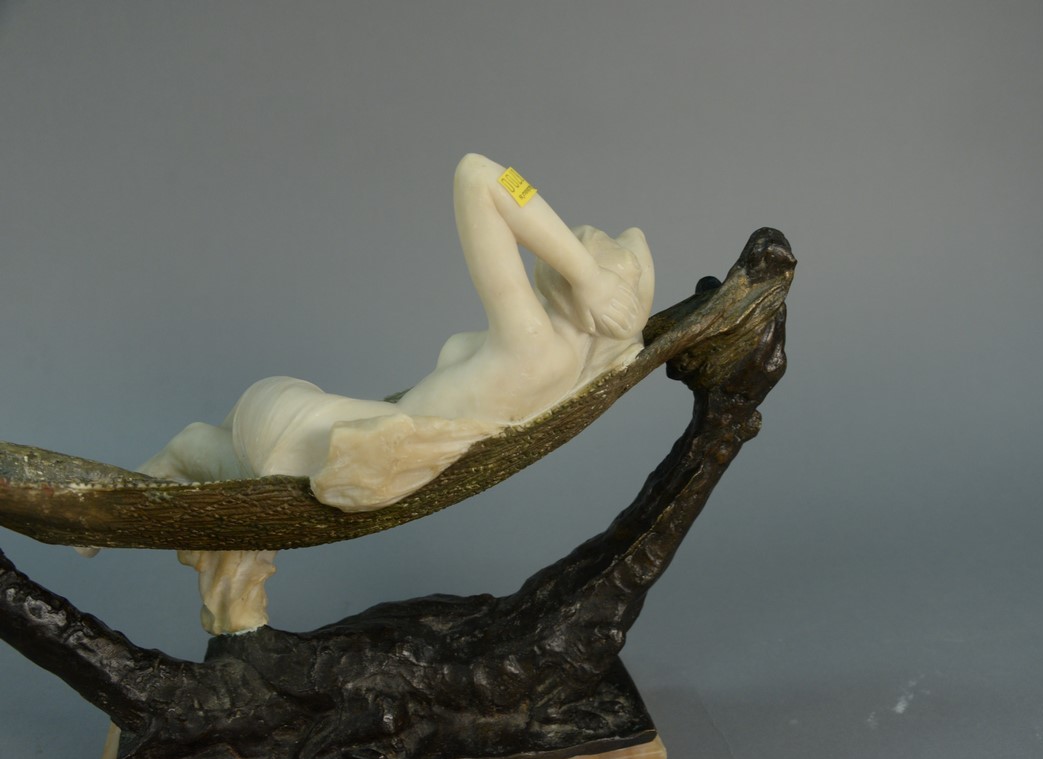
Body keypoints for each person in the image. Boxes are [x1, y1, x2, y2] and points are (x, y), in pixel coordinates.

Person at [134, 153, 655, 635]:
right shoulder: (562, 356)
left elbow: (479, 174)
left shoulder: (535, 342)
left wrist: (587, 276)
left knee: (209, 453)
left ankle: (166, 468)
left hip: (307, 429)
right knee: (217, 464)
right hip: (319, 424)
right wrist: (596, 279)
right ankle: (162, 476)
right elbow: (629, 257)